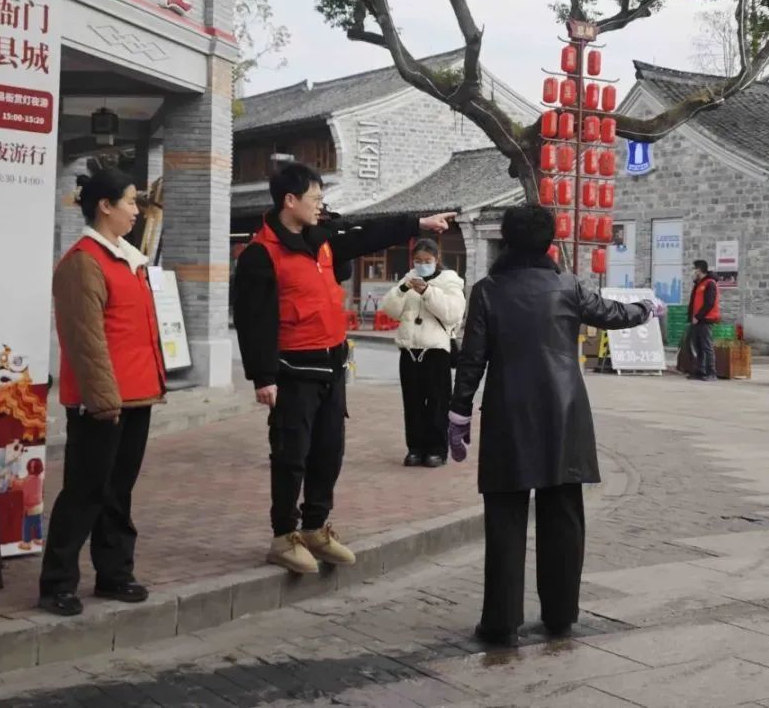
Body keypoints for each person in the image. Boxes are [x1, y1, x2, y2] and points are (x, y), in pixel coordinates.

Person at [446, 205, 655, 647]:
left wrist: (459, 413)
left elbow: (472, 359)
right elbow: (612, 315)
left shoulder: (487, 291)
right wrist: (646, 308)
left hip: (507, 415)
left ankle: (501, 621)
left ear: (506, 240)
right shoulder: (567, 286)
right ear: (548, 242)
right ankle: (560, 615)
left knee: (505, 518)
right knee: (563, 517)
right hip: (565, 416)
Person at [234, 162, 456, 575]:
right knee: (291, 455)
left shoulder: (322, 240)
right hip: (292, 370)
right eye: (315, 198)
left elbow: (368, 233)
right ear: (290, 201)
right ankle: (284, 536)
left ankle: (316, 527)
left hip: (331, 368)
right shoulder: (261, 255)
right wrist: (263, 378)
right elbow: (252, 321)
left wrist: (417, 222)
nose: (320, 206)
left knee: (328, 452)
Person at [39, 167, 166, 617]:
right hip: (101, 401)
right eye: (130, 201)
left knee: (118, 491)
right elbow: (84, 340)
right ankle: (57, 582)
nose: (137, 210)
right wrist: (101, 398)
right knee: (84, 491)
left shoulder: (127, 258)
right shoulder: (83, 262)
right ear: (104, 206)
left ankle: (114, 573)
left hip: (136, 395)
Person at [381, 239, 466, 468]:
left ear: (437, 259)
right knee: (413, 403)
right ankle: (415, 449)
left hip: (436, 350)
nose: (421, 265)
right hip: (409, 349)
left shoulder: (449, 281)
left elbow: (452, 313)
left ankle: (437, 449)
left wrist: (428, 291)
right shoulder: (408, 278)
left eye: (427, 261)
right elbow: (390, 309)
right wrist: (402, 289)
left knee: (438, 403)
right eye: (417, 261)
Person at [688, 260, 720, 380]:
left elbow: (709, 303)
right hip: (697, 319)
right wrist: (692, 316)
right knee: (698, 346)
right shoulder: (699, 283)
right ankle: (700, 371)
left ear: (699, 270)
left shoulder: (710, 283)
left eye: (694, 269)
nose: (693, 271)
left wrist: (698, 316)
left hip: (705, 319)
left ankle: (711, 372)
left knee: (707, 346)